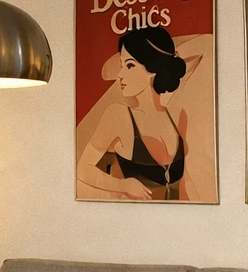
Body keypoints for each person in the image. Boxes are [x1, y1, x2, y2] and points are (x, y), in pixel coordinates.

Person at [77, 26, 196, 201]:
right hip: (132, 221)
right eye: (121, 66)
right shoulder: (118, 115)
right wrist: (122, 185)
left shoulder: (177, 117)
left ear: (153, 67)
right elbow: (83, 169)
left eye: (129, 65)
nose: (120, 75)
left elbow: (185, 185)